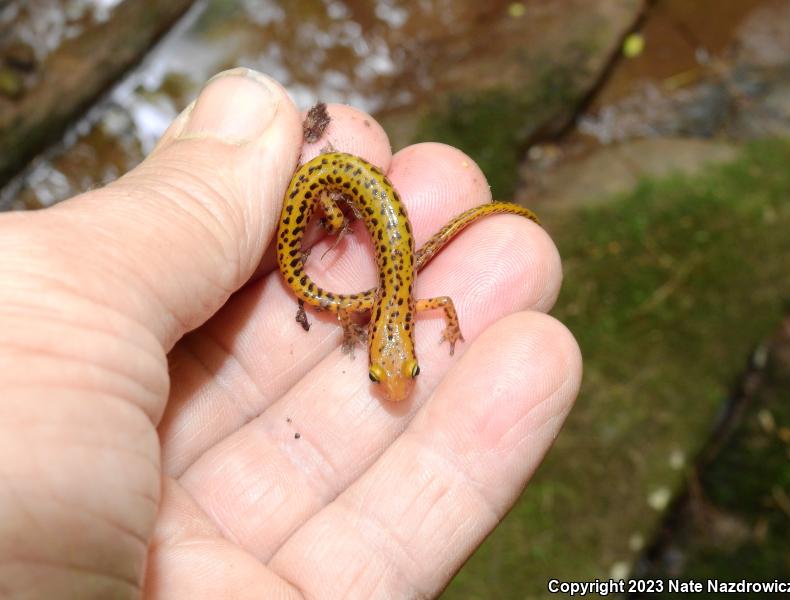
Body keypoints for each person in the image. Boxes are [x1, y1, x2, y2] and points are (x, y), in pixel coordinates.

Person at [0, 68, 581, 598]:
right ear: (382, 338)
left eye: (395, 371)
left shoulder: (401, 308)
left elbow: (449, 302)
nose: (391, 381)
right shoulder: (405, 306)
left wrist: (443, 320)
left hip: (340, 193)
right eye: (384, 372)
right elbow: (443, 305)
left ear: (387, 336)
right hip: (329, 186)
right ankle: (330, 219)